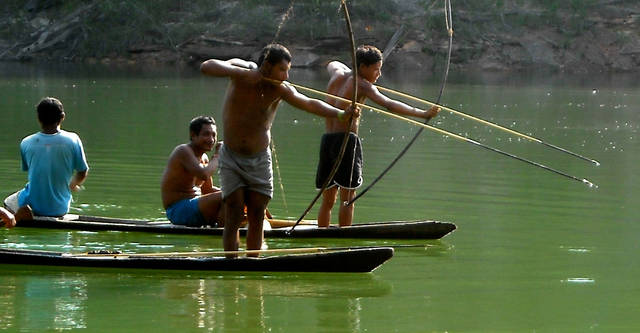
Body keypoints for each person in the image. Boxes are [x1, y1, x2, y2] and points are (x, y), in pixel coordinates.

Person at [200, 43, 359, 255]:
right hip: (232, 157)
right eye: (282, 70)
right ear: (267, 65)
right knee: (234, 213)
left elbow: (308, 102)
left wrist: (340, 114)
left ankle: (253, 261)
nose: (285, 76)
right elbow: (207, 66)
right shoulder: (242, 72)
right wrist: (244, 74)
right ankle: (231, 261)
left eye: (288, 70)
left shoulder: (280, 88)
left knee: (257, 214)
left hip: (259, 159)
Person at [316, 45, 441, 228]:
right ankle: (344, 236)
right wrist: (422, 113)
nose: (379, 74)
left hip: (327, 142)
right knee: (347, 199)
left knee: (327, 199)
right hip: (346, 142)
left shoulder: (337, 73)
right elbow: (389, 104)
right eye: (376, 69)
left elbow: (332, 63)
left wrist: (347, 65)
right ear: (363, 67)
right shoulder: (363, 86)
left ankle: (322, 234)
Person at [14, 97, 89, 220]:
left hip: (32, 205)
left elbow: (32, 170)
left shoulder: (26, 142)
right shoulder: (73, 140)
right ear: (63, 117)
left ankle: (17, 217)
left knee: (8, 201)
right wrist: (72, 184)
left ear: (39, 118)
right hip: (60, 209)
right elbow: (82, 172)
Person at [161, 116, 224, 227]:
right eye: (206, 134)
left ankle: (225, 229)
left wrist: (240, 192)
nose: (211, 140)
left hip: (195, 208)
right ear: (193, 135)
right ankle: (224, 231)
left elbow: (208, 189)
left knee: (236, 194)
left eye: (214, 135)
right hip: (178, 211)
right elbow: (204, 174)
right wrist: (218, 156)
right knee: (230, 195)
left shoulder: (204, 157)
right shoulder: (183, 151)